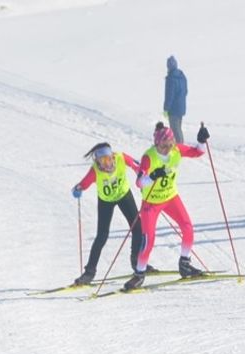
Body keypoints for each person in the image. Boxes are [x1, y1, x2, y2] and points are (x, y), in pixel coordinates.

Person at [127, 122, 209, 290]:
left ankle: (185, 264)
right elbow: (139, 182)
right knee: (149, 241)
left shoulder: (176, 150)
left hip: (171, 197)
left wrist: (201, 140)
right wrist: (153, 175)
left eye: (170, 145)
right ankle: (139, 274)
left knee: (188, 227)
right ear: (156, 143)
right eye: (163, 146)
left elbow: (198, 152)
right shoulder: (149, 157)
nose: (167, 149)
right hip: (152, 202)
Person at [70, 143, 145, 285]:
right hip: (106, 201)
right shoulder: (95, 171)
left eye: (109, 158)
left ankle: (137, 263)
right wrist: (78, 189)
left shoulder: (121, 158)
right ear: (97, 161)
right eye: (103, 161)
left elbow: (138, 167)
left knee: (138, 227)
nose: (108, 163)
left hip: (124, 195)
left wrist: (143, 178)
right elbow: (83, 184)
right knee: (102, 236)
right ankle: (89, 273)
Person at [163, 56, 188, 143]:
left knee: (175, 130)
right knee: (178, 129)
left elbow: (169, 95)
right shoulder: (182, 76)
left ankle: (180, 148)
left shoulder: (171, 78)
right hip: (181, 107)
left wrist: (166, 109)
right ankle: (180, 146)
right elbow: (185, 91)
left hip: (173, 109)